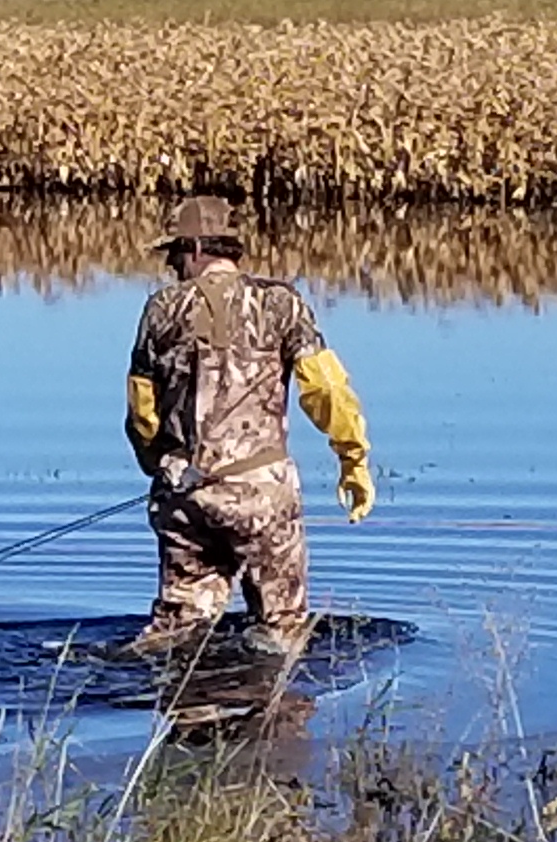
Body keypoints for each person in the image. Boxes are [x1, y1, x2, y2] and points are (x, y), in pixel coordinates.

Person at [122, 195, 372, 656]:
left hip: (184, 497)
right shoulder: (282, 304)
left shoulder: (159, 310)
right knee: (281, 635)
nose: (174, 264)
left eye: (176, 253)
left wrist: (159, 465)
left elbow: (142, 410)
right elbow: (327, 389)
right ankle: (272, 714)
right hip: (261, 495)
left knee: (176, 632)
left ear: (196, 249)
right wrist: (352, 457)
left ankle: (179, 715)